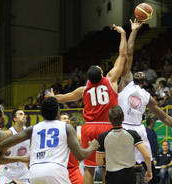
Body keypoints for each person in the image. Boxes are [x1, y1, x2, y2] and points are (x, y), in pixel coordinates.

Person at [46, 24, 127, 184]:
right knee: (107, 167)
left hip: (88, 128)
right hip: (106, 126)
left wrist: (52, 96)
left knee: (89, 168)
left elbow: (64, 98)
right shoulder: (110, 81)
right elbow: (122, 55)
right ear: (102, 73)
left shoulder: (84, 89)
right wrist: (123, 34)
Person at [118, 19, 172, 184]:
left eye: (141, 74)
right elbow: (129, 53)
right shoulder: (125, 82)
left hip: (138, 129)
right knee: (121, 166)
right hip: (122, 127)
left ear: (145, 81)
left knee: (147, 162)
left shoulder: (147, 97)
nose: (137, 73)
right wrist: (134, 30)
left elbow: (164, 117)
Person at [0, 97, 99, 184]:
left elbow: (2, 146)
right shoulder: (66, 127)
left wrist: (5, 152)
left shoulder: (33, 128)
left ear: (42, 113)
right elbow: (80, 155)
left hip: (35, 172)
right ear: (58, 112)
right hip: (55, 170)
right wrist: (92, 147)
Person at [96, 105, 152, 184]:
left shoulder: (103, 137)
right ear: (123, 118)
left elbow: (99, 162)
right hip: (129, 174)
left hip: (111, 175)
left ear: (109, 120)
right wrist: (149, 171)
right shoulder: (133, 134)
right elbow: (147, 156)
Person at [0, 109, 30, 184]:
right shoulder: (8, 133)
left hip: (23, 170)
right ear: (14, 119)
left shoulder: (29, 132)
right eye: (21, 114)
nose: (24, 116)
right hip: (8, 171)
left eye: (24, 114)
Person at [60, 112, 83, 184]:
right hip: (60, 170)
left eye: (68, 119)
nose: (67, 120)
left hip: (74, 170)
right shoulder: (54, 137)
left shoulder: (76, 136)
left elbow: (81, 149)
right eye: (64, 118)